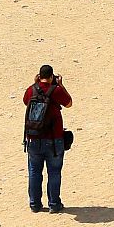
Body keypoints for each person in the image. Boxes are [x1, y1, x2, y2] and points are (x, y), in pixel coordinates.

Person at [22, 64, 73, 213]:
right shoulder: (56, 90)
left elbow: (25, 102)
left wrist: (35, 84)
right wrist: (61, 85)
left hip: (33, 138)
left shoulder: (31, 90)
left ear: (39, 76)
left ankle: (35, 204)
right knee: (54, 172)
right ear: (51, 77)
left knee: (34, 172)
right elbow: (69, 103)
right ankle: (54, 204)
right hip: (54, 139)